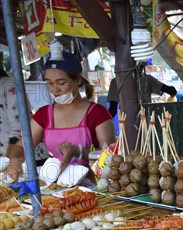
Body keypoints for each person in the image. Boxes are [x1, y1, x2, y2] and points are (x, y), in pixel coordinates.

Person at [5, 51, 116, 181]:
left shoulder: (98, 113)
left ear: (78, 80)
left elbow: (109, 157)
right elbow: (20, 147)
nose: (55, 90)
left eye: (61, 83)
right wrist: (14, 162)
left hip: (95, 185)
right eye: (50, 83)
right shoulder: (43, 114)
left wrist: (78, 151)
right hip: (57, 185)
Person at [107, 66, 177, 117]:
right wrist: (173, 93)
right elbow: (171, 91)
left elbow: (112, 110)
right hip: (146, 118)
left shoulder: (116, 82)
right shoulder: (147, 79)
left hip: (127, 122)